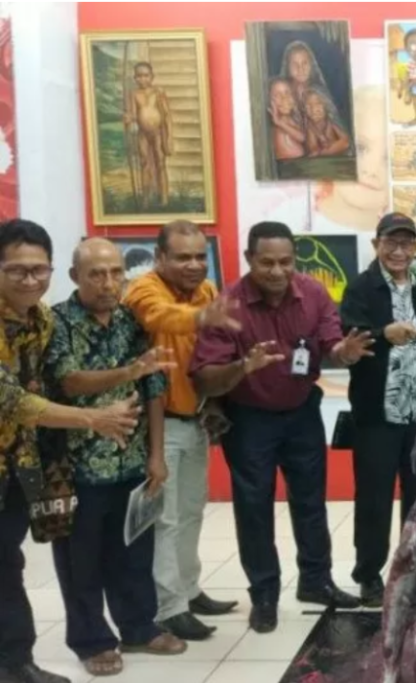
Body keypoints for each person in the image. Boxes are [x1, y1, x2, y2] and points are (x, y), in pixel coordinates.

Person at [190, 222, 374, 633]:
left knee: (310, 502)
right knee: (254, 509)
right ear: (249, 259)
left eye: (286, 262)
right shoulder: (227, 306)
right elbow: (206, 378)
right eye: (267, 262)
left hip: (301, 412)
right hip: (249, 418)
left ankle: (316, 582)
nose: (277, 271)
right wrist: (243, 366)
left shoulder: (313, 293)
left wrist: (344, 351)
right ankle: (264, 594)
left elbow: (330, 344)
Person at [0, 221, 139, 683]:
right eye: (17, 270)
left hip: (21, 461)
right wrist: (93, 419)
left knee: (8, 559)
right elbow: (13, 400)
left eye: (39, 269)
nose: (30, 279)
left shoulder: (40, 320)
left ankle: (15, 662)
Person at [44, 239, 187, 677]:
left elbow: (154, 388)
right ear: (75, 277)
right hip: (77, 467)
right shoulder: (57, 322)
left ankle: (139, 628)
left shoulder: (131, 320)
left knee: (133, 554)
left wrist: (157, 454)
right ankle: (92, 640)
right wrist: (129, 371)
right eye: (96, 274)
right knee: (80, 563)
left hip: (131, 463)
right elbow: (68, 381)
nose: (108, 283)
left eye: (115, 273)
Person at [123, 221, 242, 641]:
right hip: (159, 425)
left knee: (192, 511)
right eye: (182, 257)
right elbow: (158, 316)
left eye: (198, 256)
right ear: (160, 258)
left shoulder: (207, 291)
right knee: (166, 520)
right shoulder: (143, 288)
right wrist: (200, 317)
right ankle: (168, 607)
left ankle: (189, 591)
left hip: (196, 421)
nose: (193, 265)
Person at [340, 214, 416, 607]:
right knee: (374, 500)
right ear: (376, 244)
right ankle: (368, 576)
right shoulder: (361, 287)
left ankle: (415, 571)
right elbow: (350, 335)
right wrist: (385, 333)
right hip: (377, 415)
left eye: (406, 244)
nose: (399, 251)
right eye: (391, 243)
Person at [124, 61, 172, 207]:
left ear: (152, 76)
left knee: (160, 163)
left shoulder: (158, 92)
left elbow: (166, 115)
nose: (142, 79)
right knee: (144, 163)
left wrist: (169, 137)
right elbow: (133, 113)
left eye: (146, 76)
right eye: (139, 76)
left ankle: (164, 198)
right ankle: (145, 198)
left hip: (158, 133)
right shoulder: (133, 94)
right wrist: (128, 118)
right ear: (135, 78)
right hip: (143, 134)